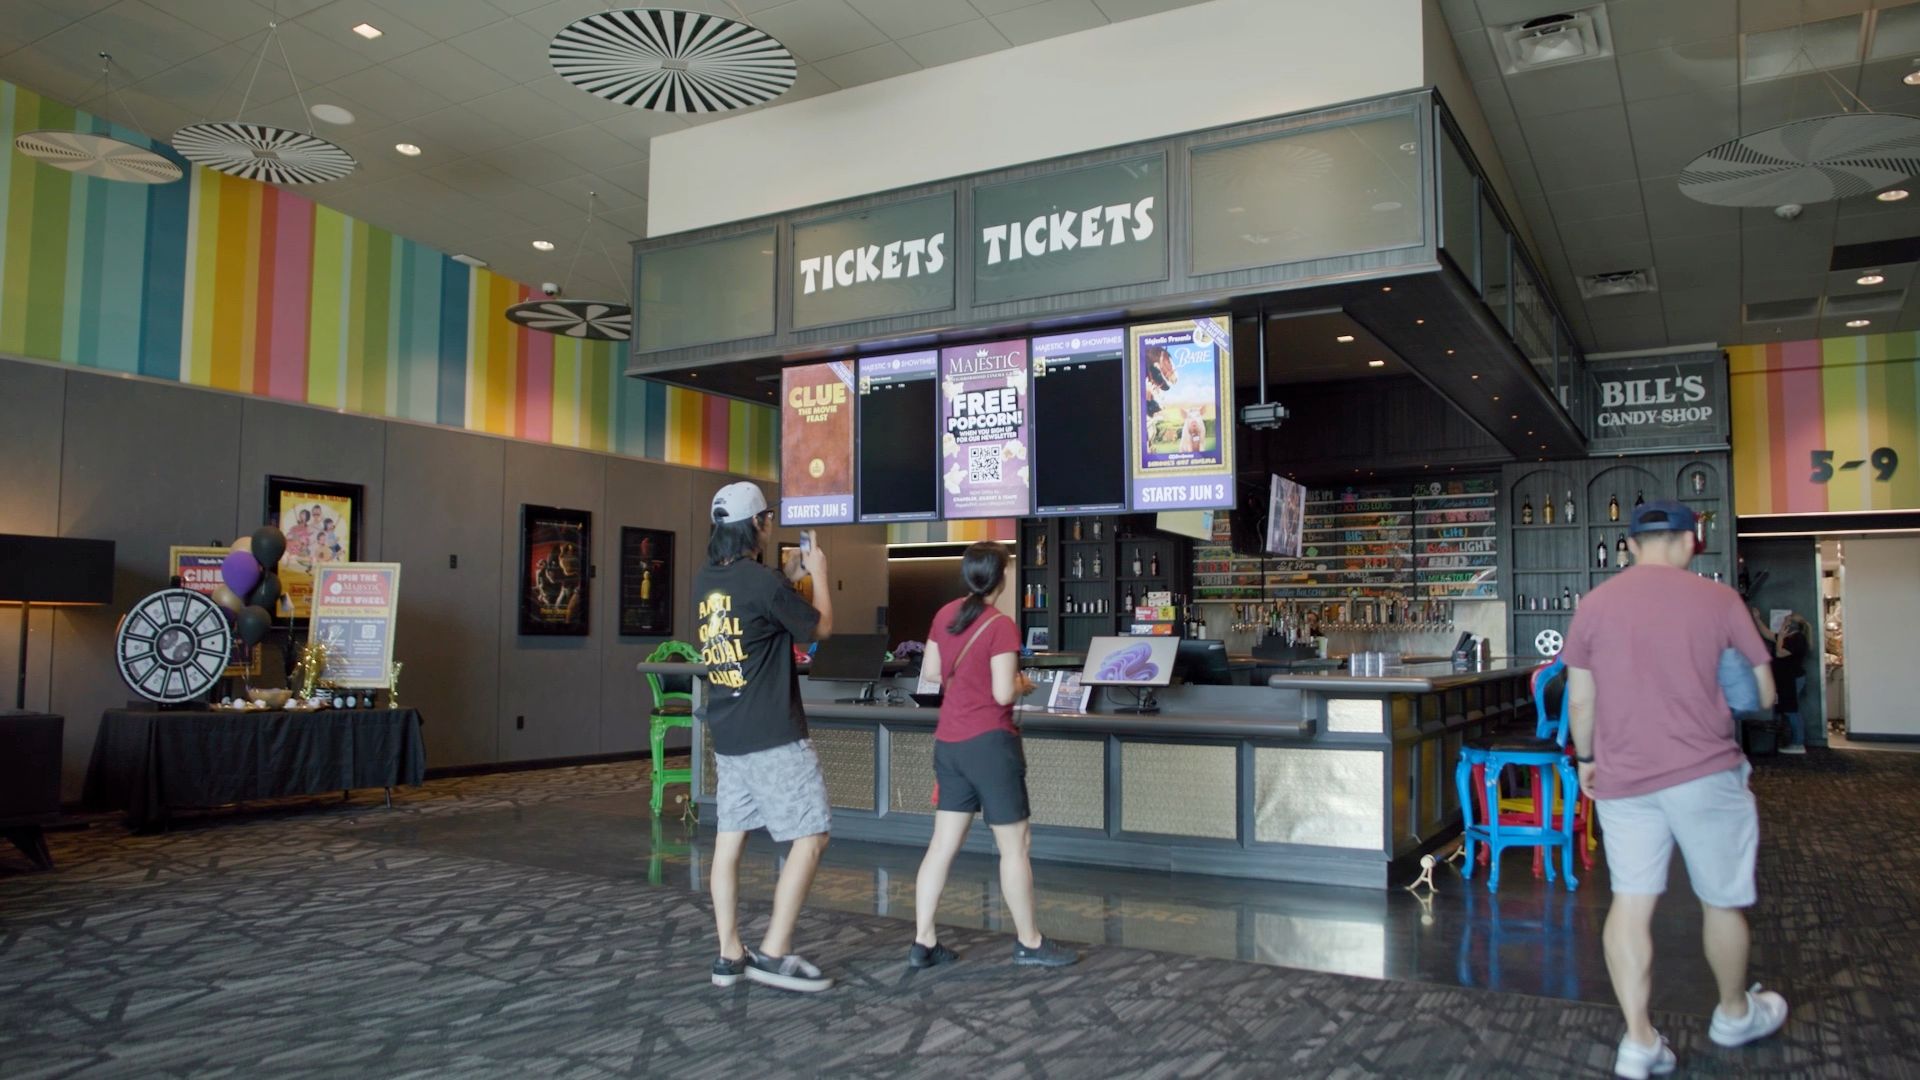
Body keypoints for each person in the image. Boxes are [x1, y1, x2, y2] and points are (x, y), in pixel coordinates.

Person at [1562, 500, 1786, 1079]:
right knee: (1721, 899)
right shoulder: (1720, 600)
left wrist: (1587, 759)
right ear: (1692, 541)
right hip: (1705, 772)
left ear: (1632, 545)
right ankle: (1734, 1013)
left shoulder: (1594, 605)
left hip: (1622, 775)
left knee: (1631, 902)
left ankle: (1638, 1042)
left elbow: (1581, 701)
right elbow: (1762, 696)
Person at [907, 542, 1077, 970]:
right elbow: (1003, 692)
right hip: (990, 745)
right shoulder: (1001, 625)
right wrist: (1020, 685)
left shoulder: (945, 614)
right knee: (1015, 846)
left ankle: (923, 941)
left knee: (942, 845)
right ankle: (1030, 941)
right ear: (1002, 579)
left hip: (949, 744)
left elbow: (929, 673)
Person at [693, 482, 836, 993]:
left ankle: (729, 953)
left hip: (728, 735)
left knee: (729, 842)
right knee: (811, 835)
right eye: (767, 517)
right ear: (759, 525)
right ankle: (774, 951)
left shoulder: (708, 579)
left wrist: (787, 577)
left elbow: (757, 606)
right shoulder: (762, 583)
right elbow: (818, 629)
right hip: (773, 735)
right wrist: (817, 574)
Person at [1770, 612, 1811, 754]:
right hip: (1788, 678)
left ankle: (1798, 743)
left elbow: (1779, 653)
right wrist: (1756, 619)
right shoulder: (1791, 638)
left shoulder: (1797, 639)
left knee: (1791, 710)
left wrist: (1780, 636)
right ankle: (1795, 742)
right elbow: (1767, 634)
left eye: (1786, 620)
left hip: (1792, 679)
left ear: (1791, 625)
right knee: (1790, 709)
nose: (1782, 622)